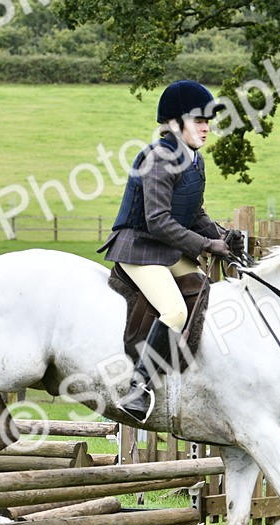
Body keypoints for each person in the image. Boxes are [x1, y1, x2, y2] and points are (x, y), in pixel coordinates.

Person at [99, 79, 230, 423]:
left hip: (168, 250)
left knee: (207, 295)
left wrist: (224, 238)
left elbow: (194, 213)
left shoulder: (194, 160)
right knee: (174, 311)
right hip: (140, 248)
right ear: (175, 123)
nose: (206, 127)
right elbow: (157, 220)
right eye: (199, 120)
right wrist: (205, 245)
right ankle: (138, 388)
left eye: (207, 121)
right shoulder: (159, 159)